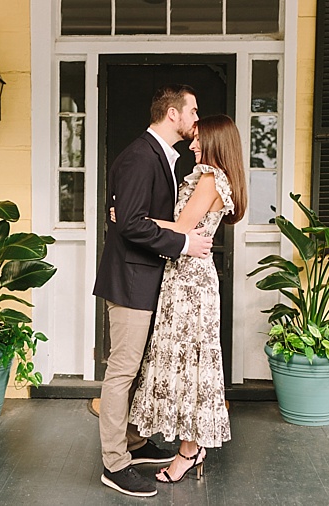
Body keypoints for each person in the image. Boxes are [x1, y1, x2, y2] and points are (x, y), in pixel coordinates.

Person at [93, 84, 213, 498]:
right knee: (122, 371)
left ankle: (133, 442)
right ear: (172, 113)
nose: (197, 118)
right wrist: (183, 243)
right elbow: (128, 223)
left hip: (147, 279)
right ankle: (114, 463)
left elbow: (131, 216)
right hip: (130, 280)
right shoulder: (141, 157)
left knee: (137, 369)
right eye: (193, 111)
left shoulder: (162, 157)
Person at [128, 114, 247, 484]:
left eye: (199, 140)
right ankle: (187, 446)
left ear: (215, 143)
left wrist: (133, 218)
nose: (192, 145)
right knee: (183, 363)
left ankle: (190, 451)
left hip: (190, 284)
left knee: (192, 368)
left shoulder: (212, 179)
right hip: (182, 277)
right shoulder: (207, 177)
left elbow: (181, 228)